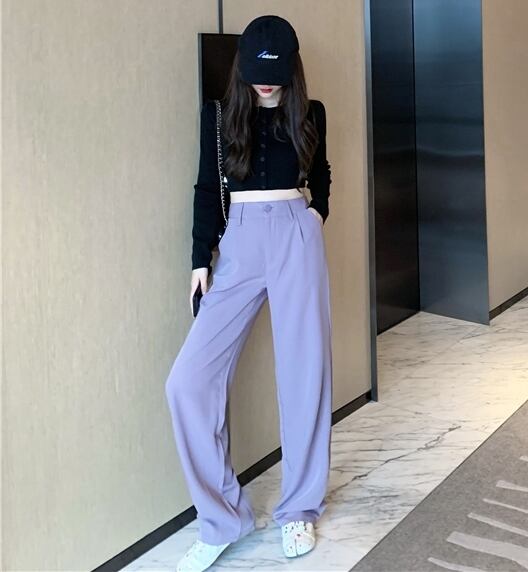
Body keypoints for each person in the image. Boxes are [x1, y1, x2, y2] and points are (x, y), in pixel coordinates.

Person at [165, 14, 333, 572]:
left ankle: (298, 509)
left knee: (305, 375)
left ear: (291, 69)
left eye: (276, 74)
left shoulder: (310, 114)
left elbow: (321, 175)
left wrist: (314, 216)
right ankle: (223, 519)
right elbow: (205, 188)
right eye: (258, 73)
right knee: (187, 382)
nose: (266, 83)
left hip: (295, 237)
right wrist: (199, 258)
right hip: (237, 240)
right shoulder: (218, 118)